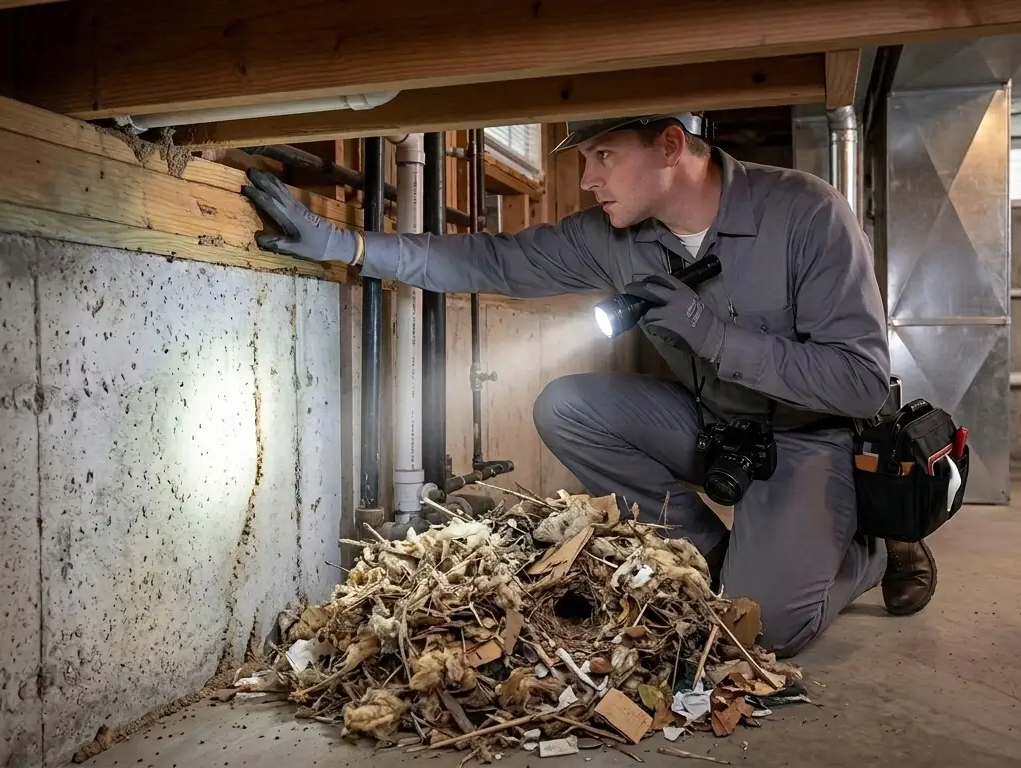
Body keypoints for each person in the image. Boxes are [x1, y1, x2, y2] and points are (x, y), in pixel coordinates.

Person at [241, 113, 937, 657]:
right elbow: (496, 260)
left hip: (810, 438)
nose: (587, 180)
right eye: (583, 160)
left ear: (670, 146)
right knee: (567, 407)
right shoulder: (616, 236)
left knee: (763, 630)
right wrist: (350, 247)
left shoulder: (807, 214)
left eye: (604, 156)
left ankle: (868, 547)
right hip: (718, 425)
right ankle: (714, 558)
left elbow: (857, 381)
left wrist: (715, 335)